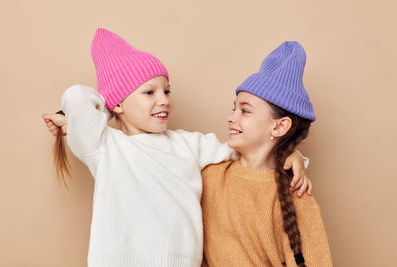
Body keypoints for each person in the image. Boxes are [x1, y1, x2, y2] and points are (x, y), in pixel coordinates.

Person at [41, 28, 310, 267]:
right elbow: (76, 97)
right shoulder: (106, 147)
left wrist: (290, 154)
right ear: (119, 104)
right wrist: (110, 105)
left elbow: (251, 150)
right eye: (149, 92)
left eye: (167, 91)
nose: (164, 100)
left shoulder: (188, 144)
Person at [201, 41, 332, 266]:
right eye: (234, 108)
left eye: (245, 110)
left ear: (279, 127)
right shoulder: (210, 176)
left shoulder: (295, 192)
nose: (231, 117)